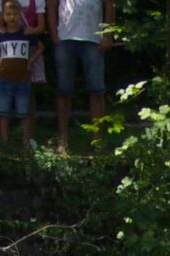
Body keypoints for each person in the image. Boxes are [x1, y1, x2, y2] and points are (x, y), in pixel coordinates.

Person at [46, 0, 109, 153]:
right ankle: (63, 140)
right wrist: (55, 35)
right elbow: (51, 5)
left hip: (93, 39)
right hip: (66, 39)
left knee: (97, 90)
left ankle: (98, 140)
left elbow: (109, 5)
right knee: (64, 90)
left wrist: (108, 35)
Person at [0, 0, 40, 146]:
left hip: (23, 79)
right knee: (3, 111)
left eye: (15, 14)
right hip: (4, 79)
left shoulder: (26, 34)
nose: (12, 17)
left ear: (20, 14)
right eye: (8, 14)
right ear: (3, 16)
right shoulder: (1, 35)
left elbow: (40, 47)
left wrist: (30, 61)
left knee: (24, 111)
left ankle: (25, 142)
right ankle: (4, 142)